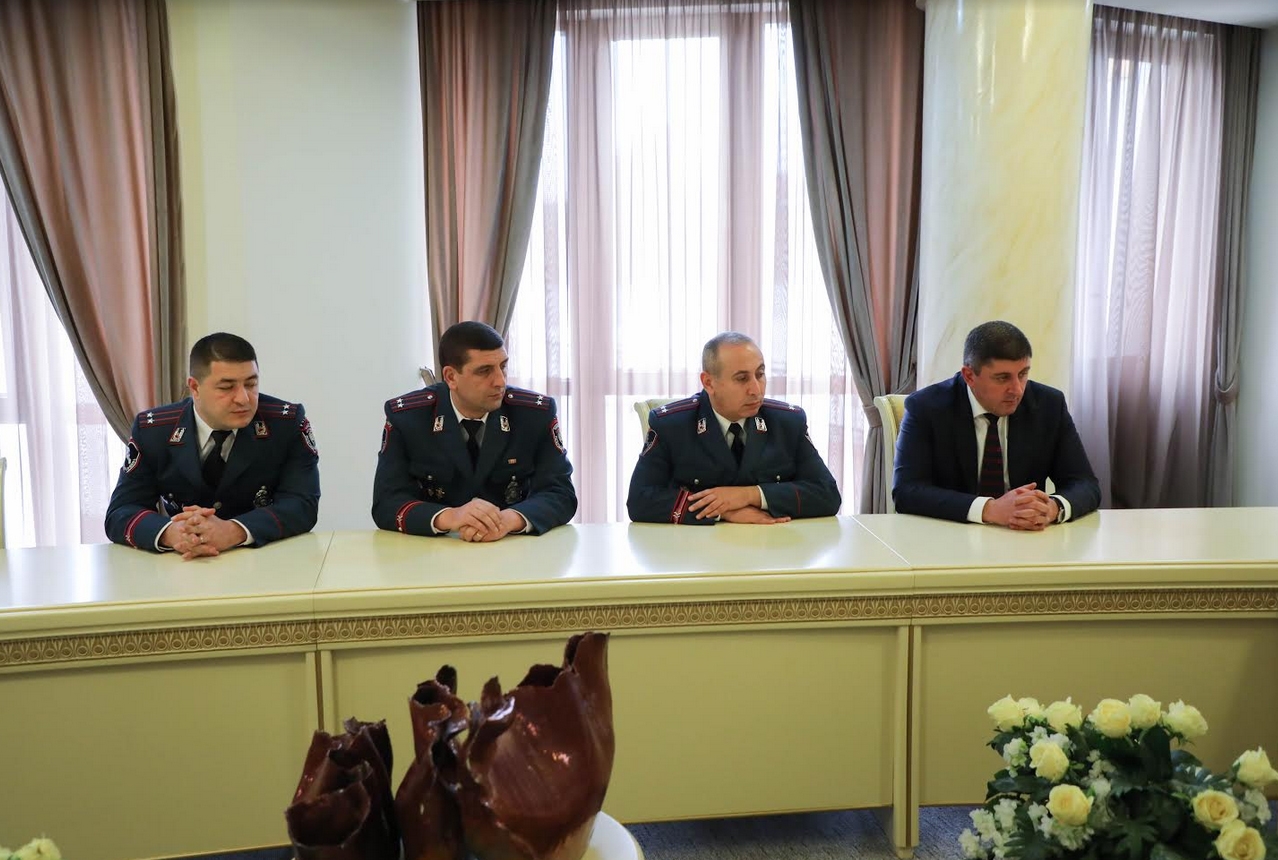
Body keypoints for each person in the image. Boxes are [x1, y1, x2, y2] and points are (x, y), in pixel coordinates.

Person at [105, 332, 320, 557]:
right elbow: (121, 512)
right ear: (195, 388)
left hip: (265, 560)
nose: (243, 399)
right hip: (182, 564)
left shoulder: (286, 423)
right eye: (227, 387)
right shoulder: (154, 430)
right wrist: (173, 533)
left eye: (251, 384)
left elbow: (302, 504)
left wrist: (233, 530)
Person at [372, 321, 577, 540]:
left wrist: (507, 520)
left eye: (503, 366)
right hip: (434, 551)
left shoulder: (534, 414)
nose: (500, 381)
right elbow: (387, 502)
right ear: (451, 377)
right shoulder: (409, 418)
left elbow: (561, 494)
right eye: (484, 371)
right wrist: (450, 517)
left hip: (512, 546)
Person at [892, 320, 1101, 528]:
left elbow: (1085, 484)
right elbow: (907, 491)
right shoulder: (926, 407)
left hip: (1024, 537)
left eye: (1023, 374)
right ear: (969, 376)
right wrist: (990, 509)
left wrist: (1052, 508)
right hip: (951, 534)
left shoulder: (1049, 405)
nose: (1017, 389)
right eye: (1002, 378)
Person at [627, 332, 842, 524]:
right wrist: (723, 511)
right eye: (742, 379)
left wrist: (749, 495)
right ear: (708, 382)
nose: (756, 390)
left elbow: (827, 494)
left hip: (772, 545)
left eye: (760, 374)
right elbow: (640, 500)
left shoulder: (787, 422)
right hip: (698, 549)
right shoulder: (672, 425)